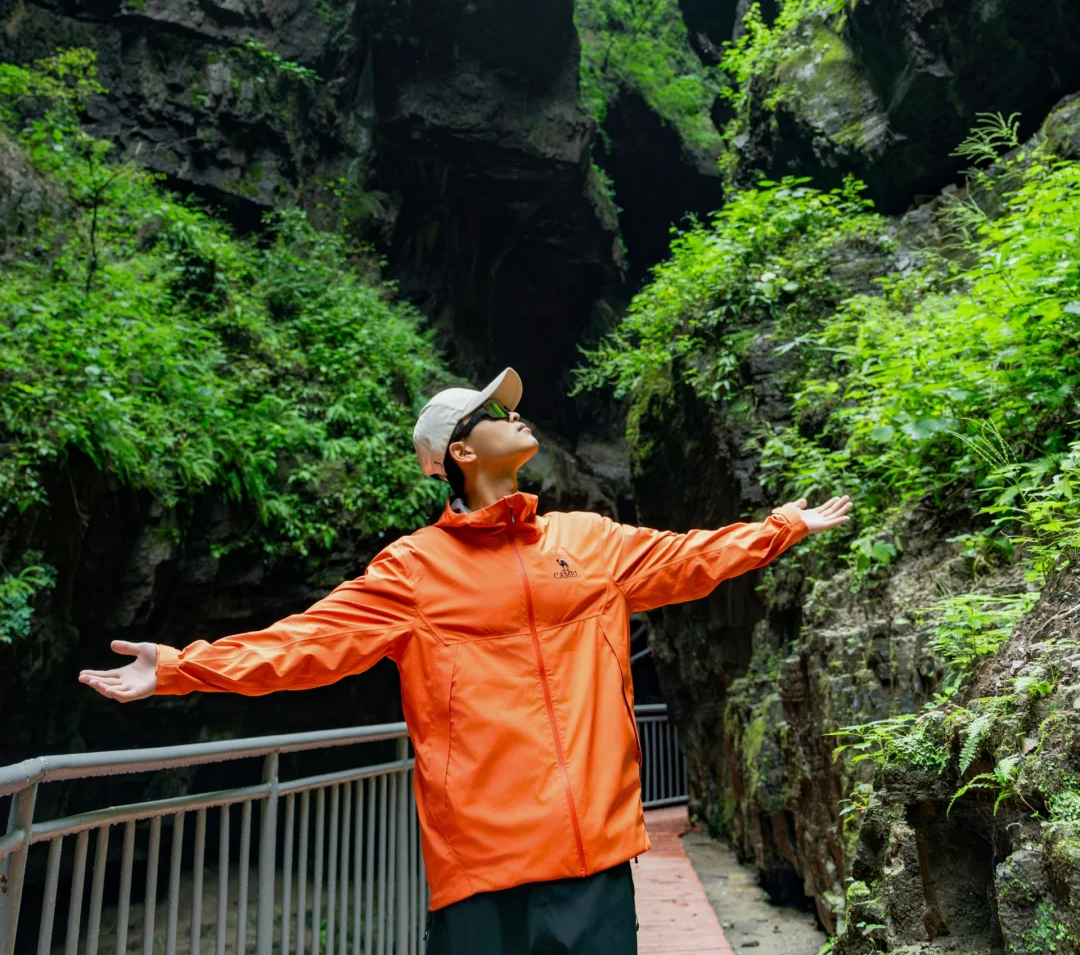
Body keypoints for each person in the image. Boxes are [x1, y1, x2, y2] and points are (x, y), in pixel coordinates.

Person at [80, 367, 852, 954]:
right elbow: (306, 643)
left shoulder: (588, 541)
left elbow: (693, 558)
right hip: (484, 864)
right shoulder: (413, 570)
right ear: (458, 450)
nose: (516, 417)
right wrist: (182, 667)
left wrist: (783, 527)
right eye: (495, 413)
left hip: (594, 854)